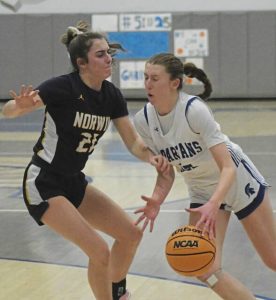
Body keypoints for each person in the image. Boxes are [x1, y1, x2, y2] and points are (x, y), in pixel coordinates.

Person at [2, 22, 171, 300]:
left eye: (109, 53)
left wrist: (152, 157)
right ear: (82, 63)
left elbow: (132, 142)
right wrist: (17, 107)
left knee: (130, 235)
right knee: (99, 251)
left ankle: (117, 292)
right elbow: (9, 111)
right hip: (44, 182)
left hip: (73, 182)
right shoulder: (62, 87)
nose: (109, 59)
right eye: (101, 54)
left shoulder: (111, 95)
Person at [134, 52, 276, 299]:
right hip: (202, 189)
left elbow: (228, 167)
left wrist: (214, 204)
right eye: (145, 77)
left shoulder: (193, 110)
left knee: (273, 259)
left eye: (155, 78)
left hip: (238, 181)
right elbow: (166, 173)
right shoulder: (143, 120)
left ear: (174, 83)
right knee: (204, 268)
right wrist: (157, 199)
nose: (148, 84)